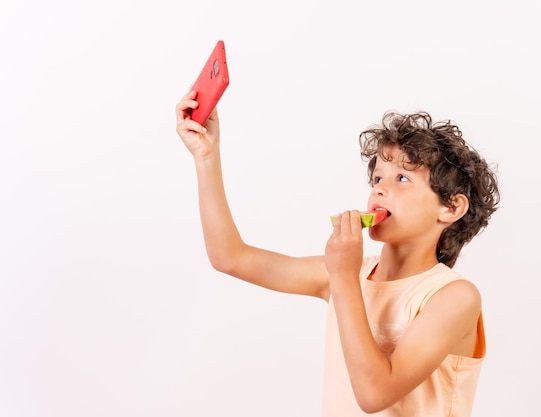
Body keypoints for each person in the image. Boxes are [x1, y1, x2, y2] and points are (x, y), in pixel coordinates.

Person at [175, 90, 500, 417]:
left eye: (402, 178)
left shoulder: (454, 297)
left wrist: (343, 278)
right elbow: (229, 257)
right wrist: (206, 157)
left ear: (450, 207)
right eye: (377, 178)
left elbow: (374, 395)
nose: (379, 189)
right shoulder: (347, 273)